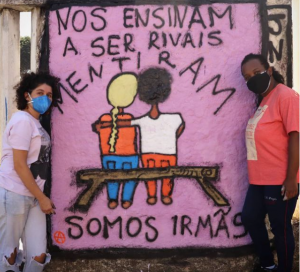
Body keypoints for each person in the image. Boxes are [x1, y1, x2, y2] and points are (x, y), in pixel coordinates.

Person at [240, 53, 299, 272]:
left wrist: (291, 178)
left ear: (269, 70)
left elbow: (296, 136)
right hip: (259, 179)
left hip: (280, 178)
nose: (252, 78)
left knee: (280, 227)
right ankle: (267, 265)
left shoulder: (286, 96)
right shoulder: (264, 101)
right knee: (250, 217)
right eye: (247, 77)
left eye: (256, 72)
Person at [0, 72, 59, 272]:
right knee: (9, 255)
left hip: (33, 195)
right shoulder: (23, 120)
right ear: (27, 95)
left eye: (49, 95)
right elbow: (19, 164)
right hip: (14, 193)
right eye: (40, 92)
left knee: (38, 254)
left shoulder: (36, 123)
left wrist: (39, 197)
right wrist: (42, 198)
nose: (45, 98)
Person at [131, 67, 185, 205]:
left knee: (159, 175)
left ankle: (156, 196)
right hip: (160, 153)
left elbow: (181, 125)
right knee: (152, 175)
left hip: (162, 153)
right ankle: (155, 195)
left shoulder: (173, 118)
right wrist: (173, 137)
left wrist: (172, 137)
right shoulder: (173, 118)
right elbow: (181, 126)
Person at [93, 73, 139, 209]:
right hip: (130, 155)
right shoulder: (129, 118)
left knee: (111, 178)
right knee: (130, 178)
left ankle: (112, 200)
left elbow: (97, 129)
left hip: (109, 155)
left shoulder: (104, 119)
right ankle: (126, 200)